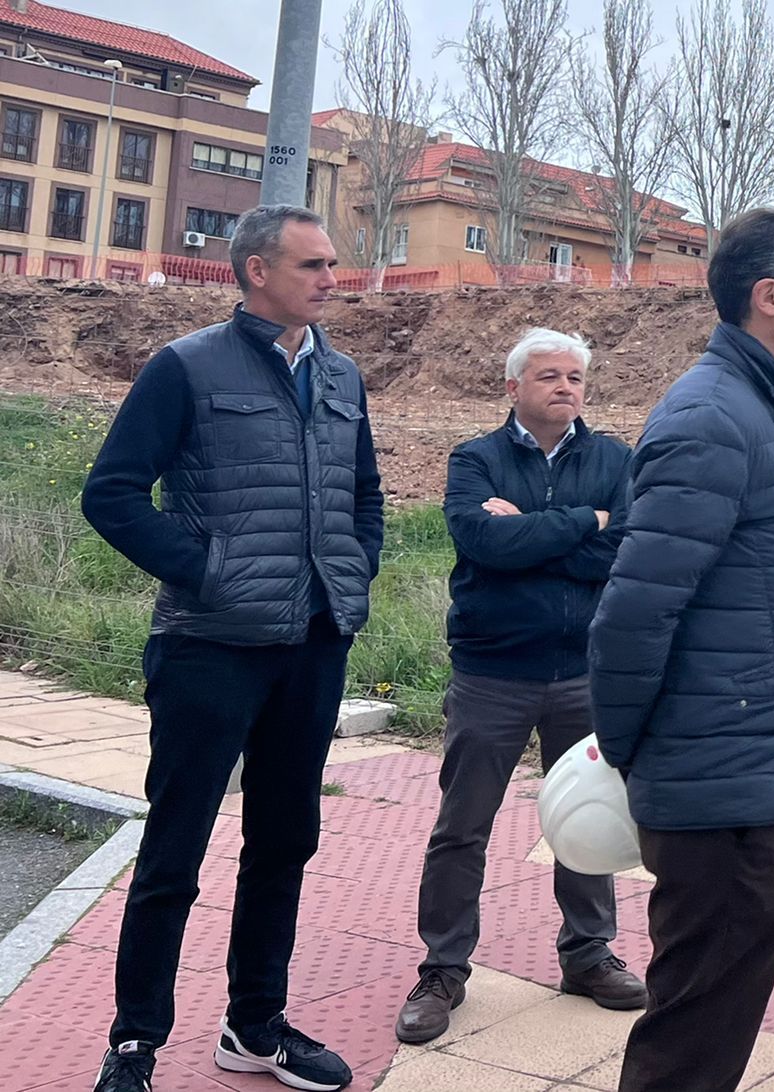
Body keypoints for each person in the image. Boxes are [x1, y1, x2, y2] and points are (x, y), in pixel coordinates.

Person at [80, 205, 383, 1092]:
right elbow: (114, 494)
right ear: (257, 271)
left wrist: (353, 572)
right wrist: (207, 572)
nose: (334, 279)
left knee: (284, 841)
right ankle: (135, 1042)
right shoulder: (185, 366)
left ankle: (256, 1025)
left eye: (333, 264)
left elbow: (365, 493)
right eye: (314, 265)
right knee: (174, 851)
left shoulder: (342, 375)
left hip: (312, 645)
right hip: (209, 647)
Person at [587, 207, 774, 1092]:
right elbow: (632, 616)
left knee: (713, 1017)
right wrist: (640, 758)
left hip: (750, 769)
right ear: (768, 296)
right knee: (694, 1031)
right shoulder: (714, 417)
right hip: (720, 785)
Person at [395, 328, 644, 1045]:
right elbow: (485, 546)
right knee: (462, 827)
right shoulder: (475, 458)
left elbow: (625, 545)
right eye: (548, 376)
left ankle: (588, 954)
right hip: (492, 672)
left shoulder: (616, 459)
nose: (565, 387)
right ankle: (443, 968)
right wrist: (581, 523)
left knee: (592, 823)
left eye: (575, 376)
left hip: (583, 673)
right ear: (513, 387)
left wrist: (538, 531)